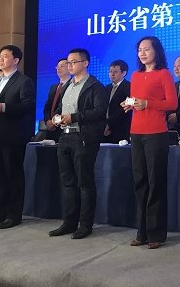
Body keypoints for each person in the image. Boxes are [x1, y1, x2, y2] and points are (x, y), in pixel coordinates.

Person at [48, 48, 108, 239]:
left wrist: (73, 117)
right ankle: (69, 222)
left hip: (84, 137)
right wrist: (57, 117)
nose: (70, 65)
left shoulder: (95, 86)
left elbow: (99, 111)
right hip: (64, 136)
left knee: (84, 182)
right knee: (67, 182)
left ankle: (85, 224)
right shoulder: (67, 86)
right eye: (68, 62)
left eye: (74, 62)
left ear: (85, 63)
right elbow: (60, 108)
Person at [125, 37, 177, 249]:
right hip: (136, 132)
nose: (142, 53)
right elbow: (136, 100)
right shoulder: (135, 76)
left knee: (156, 182)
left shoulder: (163, 74)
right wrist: (130, 104)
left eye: (147, 49)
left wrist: (147, 103)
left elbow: (172, 103)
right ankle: (142, 232)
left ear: (157, 51)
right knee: (140, 183)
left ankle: (156, 233)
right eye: (139, 50)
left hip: (156, 132)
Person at [0, 45, 35, 229]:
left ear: (16, 60)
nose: (0, 59)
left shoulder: (24, 81)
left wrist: (4, 107)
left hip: (13, 136)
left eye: (5, 56)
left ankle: (14, 215)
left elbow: (28, 105)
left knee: (13, 176)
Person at [42, 58, 70, 142]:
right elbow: (47, 106)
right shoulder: (53, 87)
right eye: (57, 66)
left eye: (62, 66)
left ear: (69, 67)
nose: (58, 68)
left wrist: (54, 122)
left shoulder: (72, 86)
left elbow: (64, 107)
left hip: (63, 127)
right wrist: (47, 121)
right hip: (50, 129)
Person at [104, 59, 132, 144]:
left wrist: (109, 124)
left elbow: (124, 109)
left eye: (115, 72)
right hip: (105, 130)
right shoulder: (106, 88)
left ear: (124, 73)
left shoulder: (130, 87)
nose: (112, 74)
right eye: (110, 71)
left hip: (121, 129)